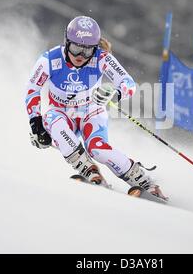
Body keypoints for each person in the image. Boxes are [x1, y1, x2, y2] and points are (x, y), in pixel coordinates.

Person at [25, 15, 167, 200]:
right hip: (60, 111)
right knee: (53, 120)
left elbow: (128, 83)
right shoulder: (50, 60)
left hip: (90, 111)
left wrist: (115, 94)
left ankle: (144, 181)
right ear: (67, 43)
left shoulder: (101, 58)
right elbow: (32, 90)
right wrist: (36, 123)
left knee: (97, 150)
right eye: (76, 49)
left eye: (87, 51)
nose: (80, 56)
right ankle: (89, 171)